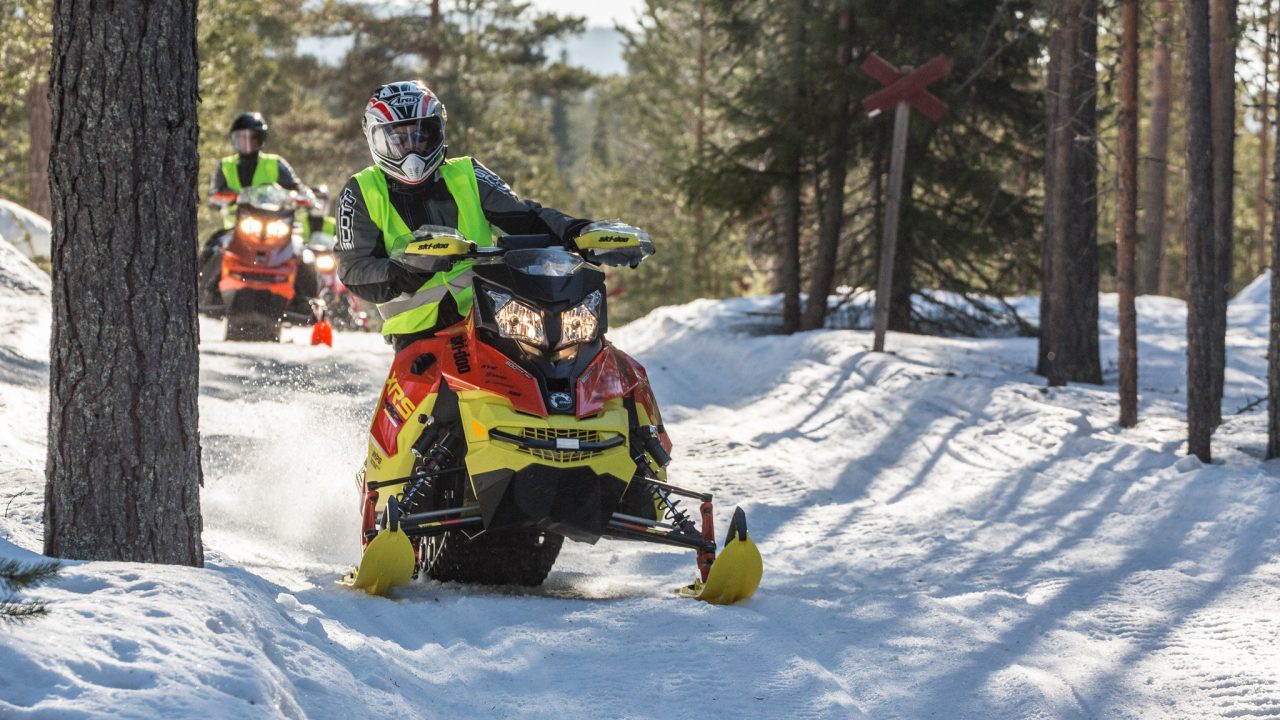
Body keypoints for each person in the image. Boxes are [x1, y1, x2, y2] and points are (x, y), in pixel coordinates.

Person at [335, 80, 641, 349]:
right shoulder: (361, 190)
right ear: (375, 139)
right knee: (441, 407)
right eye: (398, 139)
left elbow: (525, 217)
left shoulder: (468, 173)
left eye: (420, 136)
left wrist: (577, 232)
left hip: (496, 318)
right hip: (420, 335)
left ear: (437, 131)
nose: (411, 150)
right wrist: (406, 269)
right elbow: (354, 269)